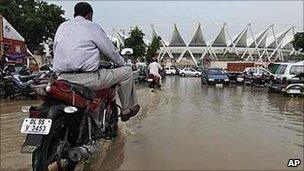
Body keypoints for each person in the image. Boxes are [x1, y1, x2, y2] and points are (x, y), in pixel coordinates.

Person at [52, 2, 140, 122]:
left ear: (75, 14)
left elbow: (55, 49)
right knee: (127, 72)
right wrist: (122, 64)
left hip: (62, 79)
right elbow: (111, 52)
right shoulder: (92, 26)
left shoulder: (62, 27)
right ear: (89, 15)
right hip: (88, 79)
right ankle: (126, 110)